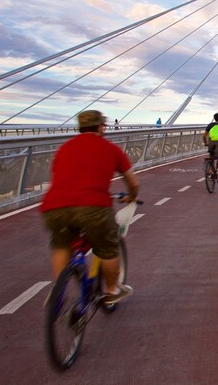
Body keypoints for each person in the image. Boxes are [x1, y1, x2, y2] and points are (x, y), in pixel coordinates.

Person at [40, 110, 139, 305]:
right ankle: (111, 291)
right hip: (93, 207)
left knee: (62, 246)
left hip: (54, 207)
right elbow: (132, 183)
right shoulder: (110, 149)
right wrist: (132, 197)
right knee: (108, 248)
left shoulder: (64, 148)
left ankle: (57, 293)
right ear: (101, 127)